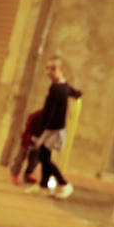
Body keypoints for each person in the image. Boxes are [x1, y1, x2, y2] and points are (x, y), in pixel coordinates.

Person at [26, 57, 83, 199]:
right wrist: (78, 94)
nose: (48, 72)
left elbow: (48, 113)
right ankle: (44, 186)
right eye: (47, 68)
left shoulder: (56, 89)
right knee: (45, 156)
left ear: (62, 71)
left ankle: (64, 183)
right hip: (55, 127)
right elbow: (72, 91)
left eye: (53, 69)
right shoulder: (64, 86)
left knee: (45, 158)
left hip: (51, 129)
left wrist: (38, 134)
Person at [9, 108, 44, 185]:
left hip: (39, 140)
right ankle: (15, 175)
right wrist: (27, 139)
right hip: (28, 138)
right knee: (20, 157)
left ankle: (28, 175)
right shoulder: (37, 115)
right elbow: (28, 128)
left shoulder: (51, 118)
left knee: (35, 159)